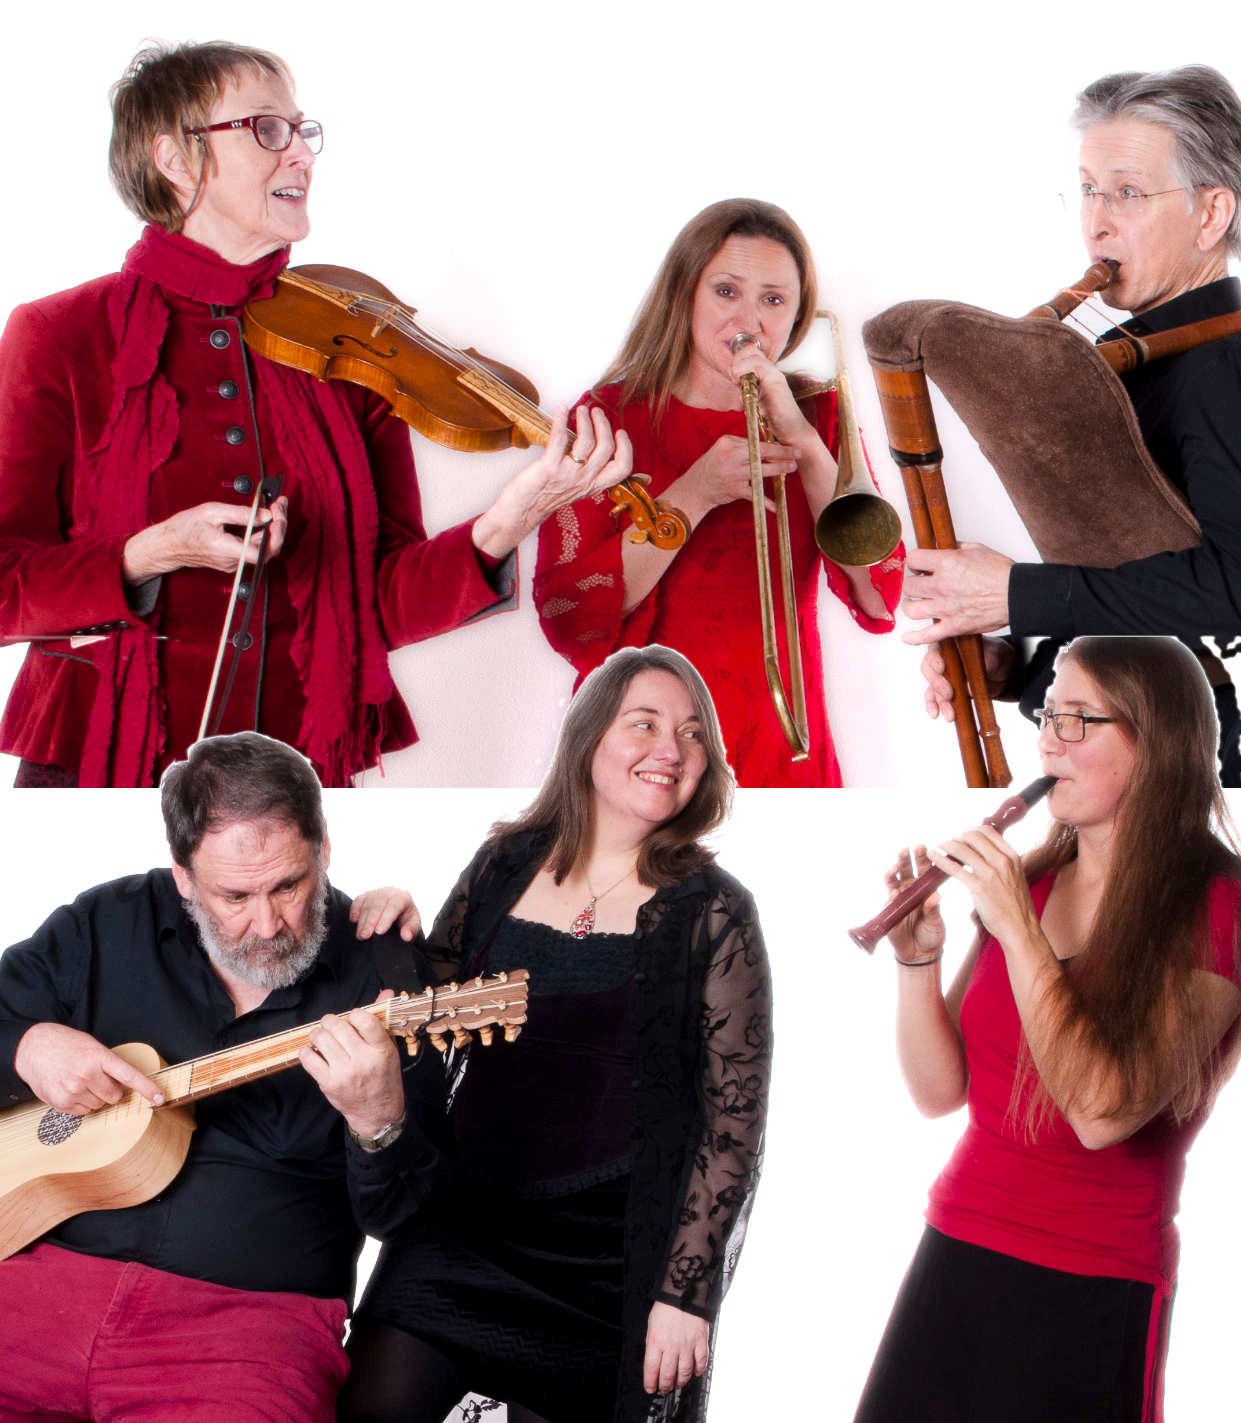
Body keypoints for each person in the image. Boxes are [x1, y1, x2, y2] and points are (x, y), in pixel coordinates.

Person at [0, 41, 631, 787]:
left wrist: (509, 520)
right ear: (175, 159)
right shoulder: (58, 334)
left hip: (294, 774)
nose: (301, 153)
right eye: (267, 129)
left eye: (302, 130)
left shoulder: (349, 342)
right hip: (102, 765)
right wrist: (147, 554)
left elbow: (380, 602)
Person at [340, 645, 771, 1423]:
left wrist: (685, 1296)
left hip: (606, 1268)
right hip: (462, 1231)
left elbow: (732, 1121)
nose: (671, 749)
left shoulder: (714, 910)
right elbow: (429, 1017)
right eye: (644, 723)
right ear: (589, 736)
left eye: (691, 733)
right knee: (371, 1407)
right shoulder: (503, 863)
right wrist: (393, 916)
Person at [855, 637, 1241, 1423]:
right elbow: (940, 1093)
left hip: (1094, 1279)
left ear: (1156, 741)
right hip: (957, 1243)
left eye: (1076, 719)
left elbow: (1102, 1112)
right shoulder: (1030, 882)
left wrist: (1017, 930)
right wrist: (917, 961)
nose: (1046, 742)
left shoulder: (1220, 909)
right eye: (1046, 715)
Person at [0, 732, 440, 1421]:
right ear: (183, 876)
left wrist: (378, 1121)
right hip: (37, 1283)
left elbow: (412, 1220)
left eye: (289, 885)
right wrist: (27, 1044)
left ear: (324, 848)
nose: (267, 925)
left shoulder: (384, 972)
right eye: (234, 895)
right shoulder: (111, 919)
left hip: (247, 1327)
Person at [911, 66, 1241, 768]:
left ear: (1212, 214)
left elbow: (1233, 588)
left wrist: (1014, 593)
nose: (1097, 221)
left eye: (1127, 192)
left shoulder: (1221, 367)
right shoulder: (1136, 359)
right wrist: (1014, 668)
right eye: (1089, 190)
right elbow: (1140, 586)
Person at [533, 198, 904, 788]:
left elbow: (881, 596)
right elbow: (567, 616)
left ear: (797, 315)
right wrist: (695, 493)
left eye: (773, 300)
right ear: (684, 293)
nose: (748, 320)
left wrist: (803, 438)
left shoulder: (820, 414)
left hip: (782, 741)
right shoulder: (606, 415)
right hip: (643, 749)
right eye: (726, 291)